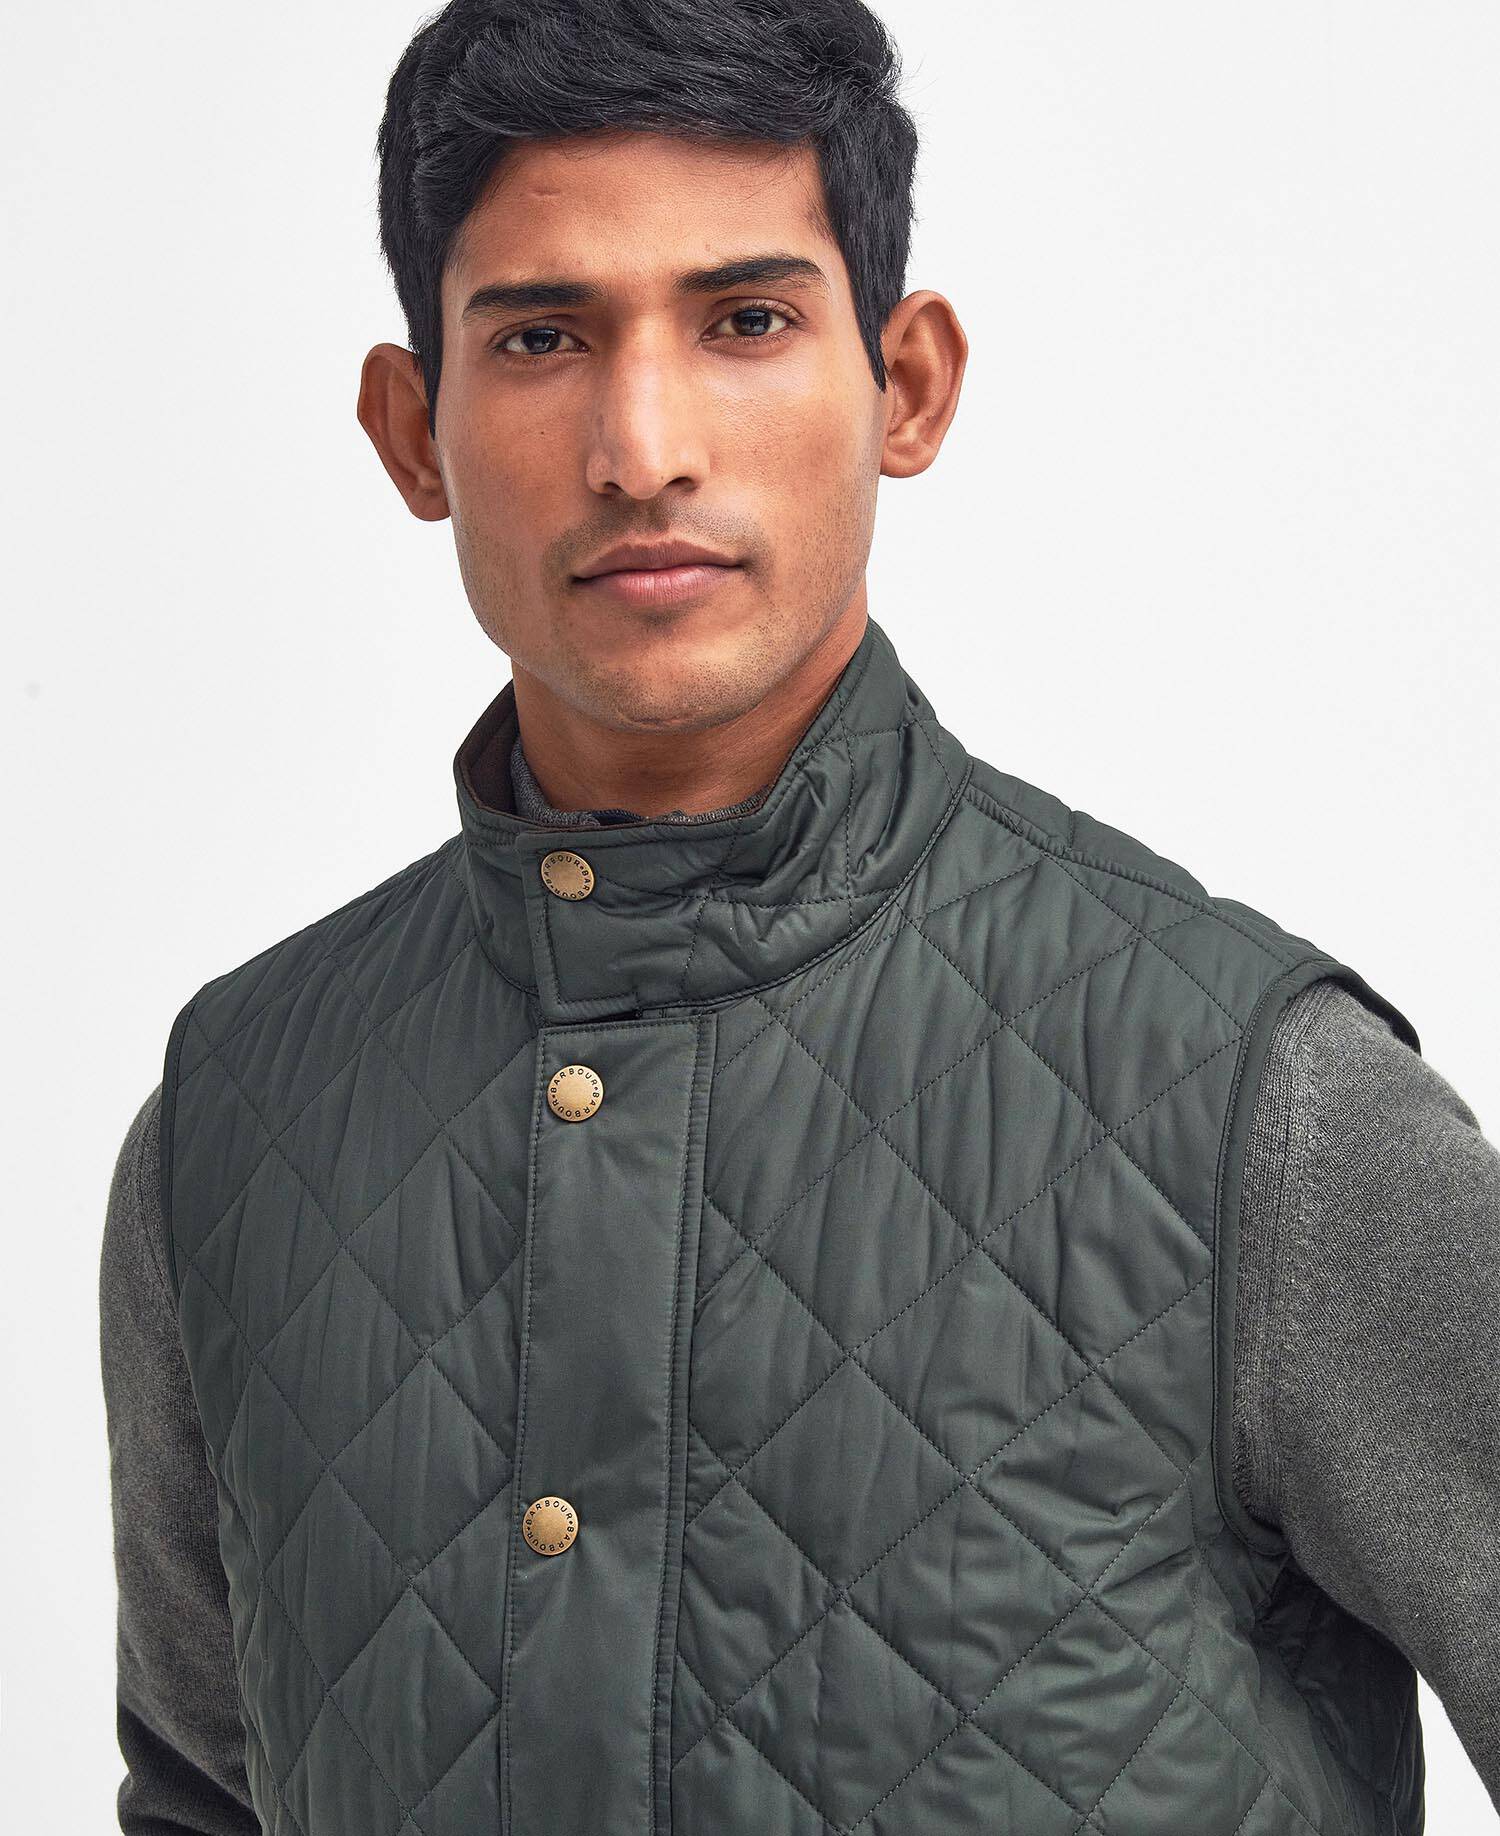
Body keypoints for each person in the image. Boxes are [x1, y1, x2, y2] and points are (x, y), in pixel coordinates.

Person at [100, 1, 1499, 1830]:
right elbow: (201, 1795)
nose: (642, 446)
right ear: (411, 430)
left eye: (745, 319)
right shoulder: (235, 1127)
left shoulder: (1265, 1110)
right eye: (541, 337)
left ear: (905, 385)